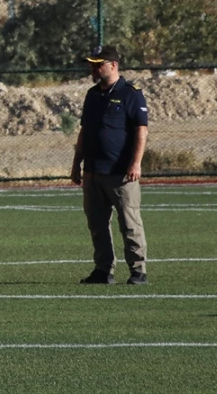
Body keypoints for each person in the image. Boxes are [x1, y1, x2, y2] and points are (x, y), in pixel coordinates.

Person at [71, 45, 149, 285]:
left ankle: (138, 271)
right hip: (94, 171)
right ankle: (104, 270)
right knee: (97, 224)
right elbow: (84, 131)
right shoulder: (92, 94)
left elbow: (141, 131)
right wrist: (77, 164)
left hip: (120, 172)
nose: (93, 68)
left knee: (129, 223)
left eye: (98, 64)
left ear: (113, 65)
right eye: (92, 64)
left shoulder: (131, 94)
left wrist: (135, 163)